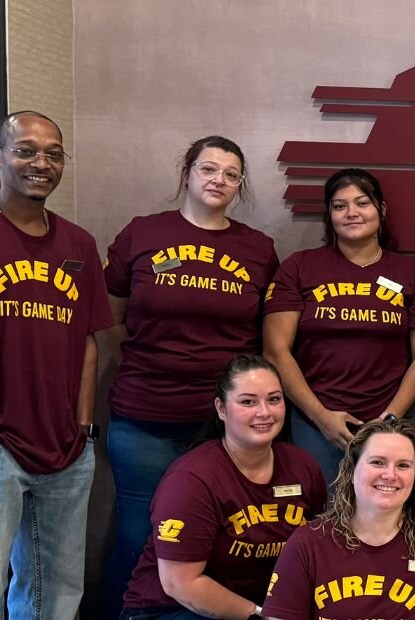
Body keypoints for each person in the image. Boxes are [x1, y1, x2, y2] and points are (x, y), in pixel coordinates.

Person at [0, 111, 112, 619]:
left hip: (65, 450)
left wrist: (82, 429)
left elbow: (89, 343)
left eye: (53, 153)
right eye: (26, 150)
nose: (42, 163)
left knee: (57, 595)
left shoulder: (78, 244)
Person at [102, 136, 281, 614]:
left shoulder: (258, 249)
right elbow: (110, 319)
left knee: (218, 539)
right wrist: (152, 363)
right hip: (144, 417)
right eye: (208, 169)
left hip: (224, 429)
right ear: (187, 172)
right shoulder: (142, 234)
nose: (217, 180)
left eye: (230, 174)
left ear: (240, 184)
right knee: (140, 532)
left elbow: (265, 336)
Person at [264, 168, 415, 481]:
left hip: (391, 419)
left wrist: (389, 418)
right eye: (339, 205)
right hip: (315, 422)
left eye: (362, 203)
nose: (352, 213)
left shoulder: (410, 274)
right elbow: (276, 351)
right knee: (322, 518)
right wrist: (320, 417)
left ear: (381, 210)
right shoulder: (300, 267)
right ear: (329, 215)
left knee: (386, 512)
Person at [120, 355, 327, 620]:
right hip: (172, 609)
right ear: (221, 408)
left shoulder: (302, 465)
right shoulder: (191, 479)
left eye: (274, 399)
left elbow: (317, 547)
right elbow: (180, 584)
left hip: (258, 607)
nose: (264, 412)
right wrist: (262, 616)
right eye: (248, 402)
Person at [262, 417, 415, 620]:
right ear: (352, 471)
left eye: (403, 465)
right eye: (377, 462)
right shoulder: (307, 543)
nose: (390, 475)